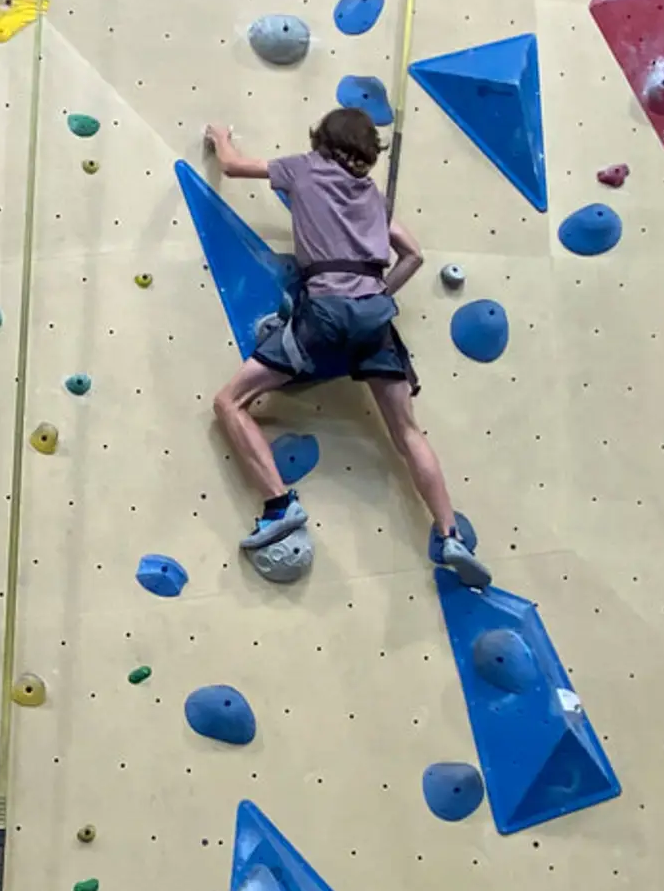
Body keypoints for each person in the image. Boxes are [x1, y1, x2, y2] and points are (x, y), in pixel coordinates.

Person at [204, 111, 490, 588]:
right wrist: (379, 293)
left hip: (325, 311)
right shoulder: (372, 196)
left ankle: (279, 505)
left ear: (321, 140)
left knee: (228, 402)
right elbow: (414, 254)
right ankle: (450, 533)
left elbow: (233, 168)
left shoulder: (303, 167)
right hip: (374, 317)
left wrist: (219, 137)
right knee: (407, 432)